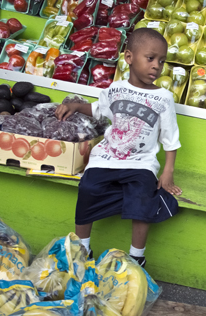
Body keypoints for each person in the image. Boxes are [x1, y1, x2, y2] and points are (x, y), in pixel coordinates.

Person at [55, 28, 182, 267]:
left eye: (161, 62)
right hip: (106, 158)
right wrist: (75, 105)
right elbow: (97, 111)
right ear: (129, 57)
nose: (156, 66)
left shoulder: (164, 98)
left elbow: (170, 137)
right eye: (150, 58)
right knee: (88, 189)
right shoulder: (115, 89)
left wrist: (168, 171)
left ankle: (136, 257)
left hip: (140, 162)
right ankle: (82, 250)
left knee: (143, 197)